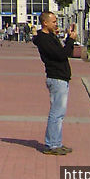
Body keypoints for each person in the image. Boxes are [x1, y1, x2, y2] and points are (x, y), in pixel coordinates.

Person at [32, 10, 78, 155]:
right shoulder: (44, 39)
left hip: (61, 77)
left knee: (60, 113)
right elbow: (61, 55)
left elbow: (63, 53)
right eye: (53, 22)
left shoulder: (50, 36)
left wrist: (68, 37)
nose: (56, 24)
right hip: (56, 77)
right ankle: (51, 144)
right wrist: (71, 40)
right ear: (45, 23)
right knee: (56, 113)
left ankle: (56, 142)